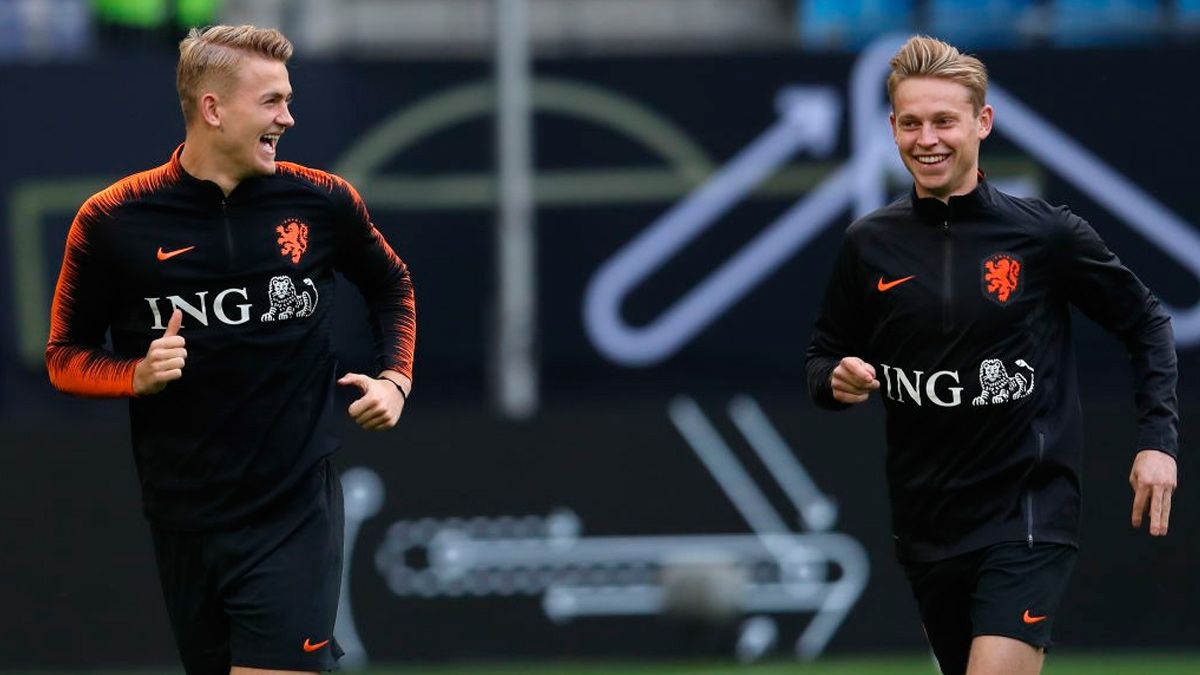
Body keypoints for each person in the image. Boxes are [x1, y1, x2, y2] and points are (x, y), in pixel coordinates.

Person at [45, 25, 415, 675]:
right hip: (184, 516)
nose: (289, 117)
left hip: (292, 507)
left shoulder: (322, 201)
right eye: (272, 101)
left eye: (289, 99)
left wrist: (396, 379)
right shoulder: (112, 219)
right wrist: (134, 374)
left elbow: (392, 284)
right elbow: (64, 355)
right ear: (213, 110)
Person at [806, 36, 1177, 675]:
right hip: (927, 521)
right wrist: (834, 380)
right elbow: (824, 354)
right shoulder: (868, 244)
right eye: (912, 123)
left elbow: (1146, 321)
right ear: (892, 128)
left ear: (982, 123)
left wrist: (1157, 442)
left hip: (1028, 509)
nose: (928, 139)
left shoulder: (1043, 233)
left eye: (945, 120)